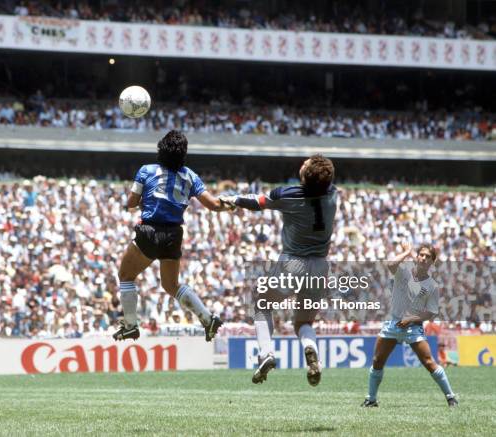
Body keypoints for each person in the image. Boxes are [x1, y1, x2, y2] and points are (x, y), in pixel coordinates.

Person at [221, 155, 337, 386]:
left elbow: (258, 202)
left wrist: (233, 199)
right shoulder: (332, 193)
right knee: (303, 323)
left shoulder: (288, 195)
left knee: (262, 304)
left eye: (307, 163)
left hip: (293, 263)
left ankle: (266, 354)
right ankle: (311, 349)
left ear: (305, 174)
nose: (304, 161)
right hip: (321, 266)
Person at [113, 130, 230, 342]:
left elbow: (130, 203)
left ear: (161, 149)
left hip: (150, 232)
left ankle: (130, 325)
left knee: (126, 276)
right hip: (174, 235)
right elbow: (213, 204)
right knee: (171, 285)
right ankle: (207, 318)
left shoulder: (146, 170)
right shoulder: (190, 175)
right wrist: (233, 203)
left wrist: (137, 203)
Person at [362, 242, 458, 407]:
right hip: (393, 324)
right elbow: (390, 264)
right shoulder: (404, 272)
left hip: (413, 328)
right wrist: (406, 251)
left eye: (428, 256)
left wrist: (411, 319)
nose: (423, 258)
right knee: (377, 360)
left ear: (432, 262)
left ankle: (451, 397)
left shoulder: (432, 286)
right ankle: (371, 400)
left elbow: (431, 312)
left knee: (429, 362)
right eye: (421, 254)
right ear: (417, 256)